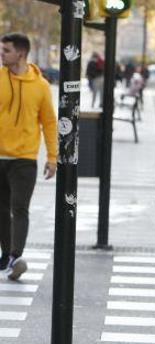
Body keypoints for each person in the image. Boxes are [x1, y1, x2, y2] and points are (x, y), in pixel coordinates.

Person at [0, 33, 57, 280]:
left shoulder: (40, 86)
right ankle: (6, 255)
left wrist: (52, 157)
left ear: (20, 54)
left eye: (6, 50)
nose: (1, 54)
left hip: (25, 158)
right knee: (1, 209)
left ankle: (15, 256)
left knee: (19, 208)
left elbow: (49, 122)